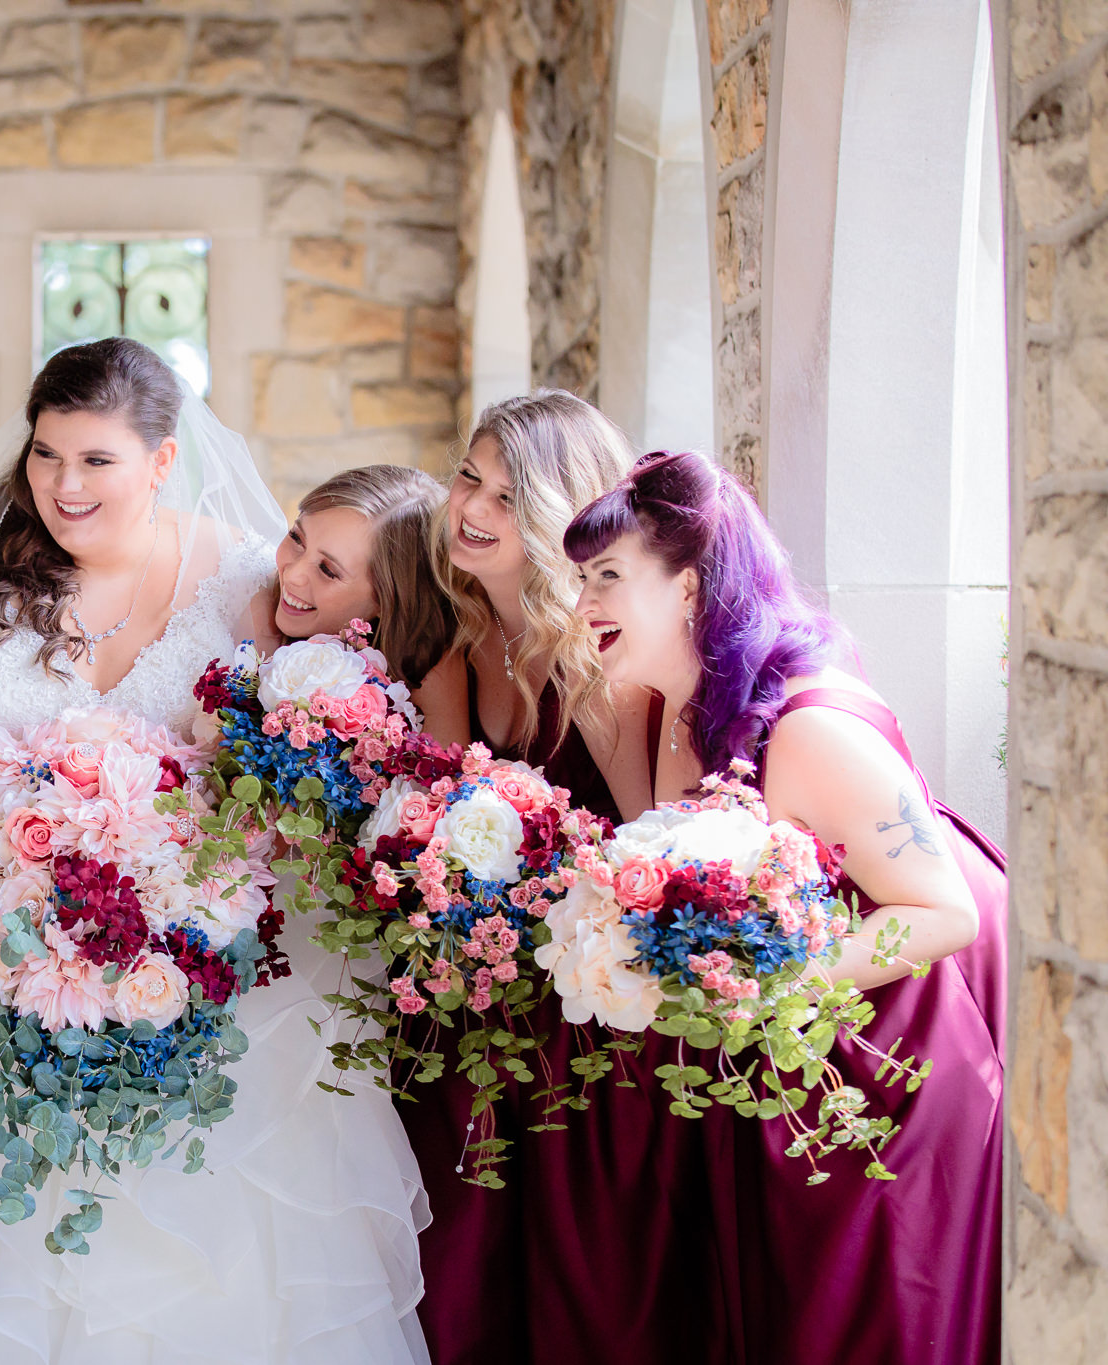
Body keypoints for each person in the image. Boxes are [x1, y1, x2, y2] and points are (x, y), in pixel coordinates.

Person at [0, 337, 430, 1364]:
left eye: (96, 461)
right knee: (23, 1275)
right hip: (7, 981)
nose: (62, 485)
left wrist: (181, 914)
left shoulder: (254, 583)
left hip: (215, 998)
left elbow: (287, 782)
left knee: (211, 1282)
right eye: (46, 455)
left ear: (164, 461)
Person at [565, 449, 1004, 1365]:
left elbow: (942, 909)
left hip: (888, 1069)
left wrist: (765, 987)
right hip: (782, 1071)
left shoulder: (806, 729)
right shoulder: (675, 712)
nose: (584, 604)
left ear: (688, 588)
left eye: (607, 577)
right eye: (581, 580)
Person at [402, 390, 665, 1365]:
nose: (472, 508)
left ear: (559, 511)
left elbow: (647, 837)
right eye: (469, 478)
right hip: (493, 971)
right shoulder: (467, 634)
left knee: (575, 1246)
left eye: (508, 497)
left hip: (592, 984)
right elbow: (439, 808)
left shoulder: (587, 652)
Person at [256, 465, 455, 685]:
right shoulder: (253, 602)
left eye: (328, 570)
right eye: (296, 538)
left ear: (386, 599)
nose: (293, 575)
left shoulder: (429, 673)